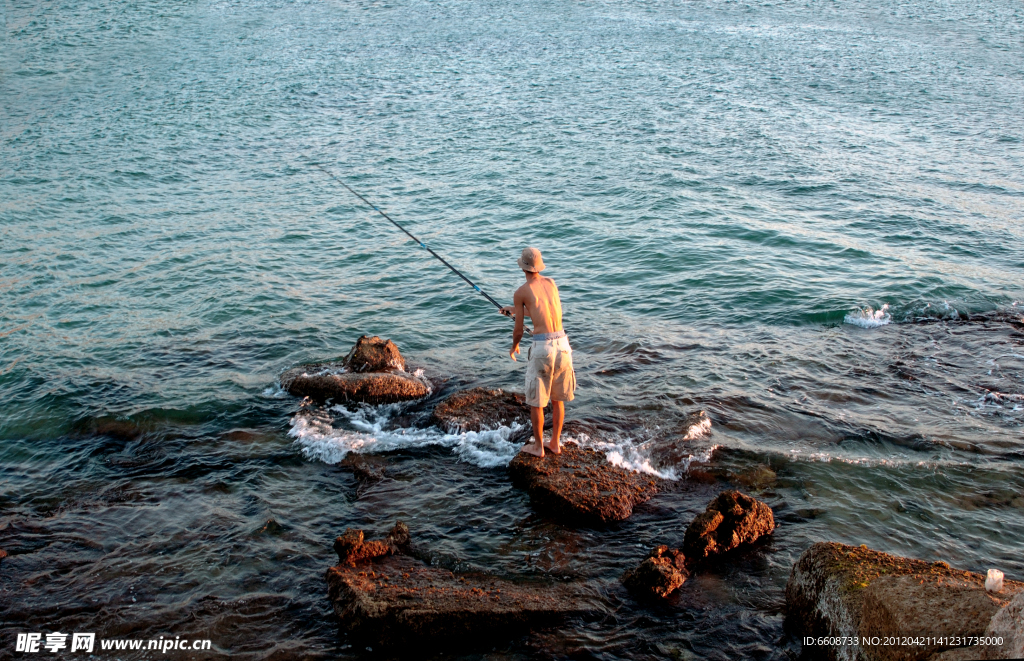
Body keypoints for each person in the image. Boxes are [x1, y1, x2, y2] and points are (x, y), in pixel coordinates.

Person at [500, 247, 576, 457]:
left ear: (522, 267)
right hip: (563, 344)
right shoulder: (551, 283)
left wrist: (514, 345)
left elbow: (518, 330)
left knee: (537, 401)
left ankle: (539, 447)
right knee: (557, 399)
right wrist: (515, 308)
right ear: (539, 266)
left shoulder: (521, 292)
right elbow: (542, 307)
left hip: (543, 349)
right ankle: (555, 444)